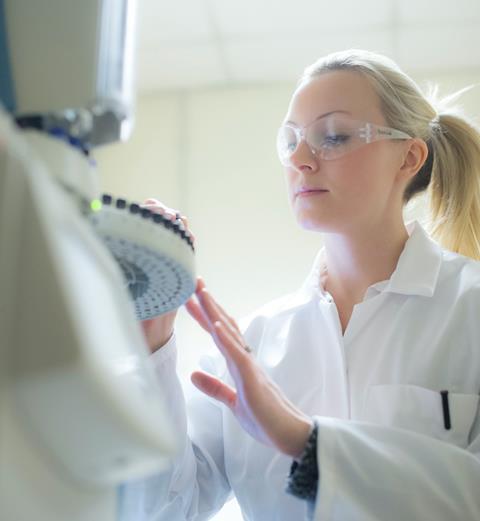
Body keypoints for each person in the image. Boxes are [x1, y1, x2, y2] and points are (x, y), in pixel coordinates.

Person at [119, 49, 480, 520]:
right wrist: (153, 342)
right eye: (290, 141)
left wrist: (306, 442)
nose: (301, 159)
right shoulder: (250, 345)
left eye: (333, 136)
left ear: (409, 156)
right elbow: (163, 509)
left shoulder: (469, 308)